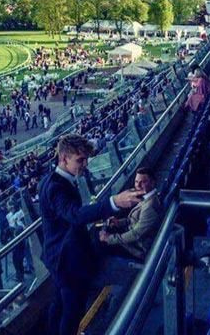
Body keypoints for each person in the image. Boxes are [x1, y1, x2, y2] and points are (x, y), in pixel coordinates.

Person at [38, 134, 142, 334]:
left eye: (85, 159)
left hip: (60, 256)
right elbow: (74, 215)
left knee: (60, 304)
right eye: (80, 160)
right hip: (65, 260)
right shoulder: (56, 187)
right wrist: (114, 202)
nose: (84, 164)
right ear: (64, 158)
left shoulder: (53, 180)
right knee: (72, 310)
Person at [100, 168, 161, 259]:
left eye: (142, 182)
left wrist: (109, 239)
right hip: (133, 234)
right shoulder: (147, 197)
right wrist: (118, 222)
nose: (138, 185)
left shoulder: (150, 206)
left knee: (100, 242)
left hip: (140, 248)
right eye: (136, 182)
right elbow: (135, 220)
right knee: (107, 227)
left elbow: (136, 234)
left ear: (152, 183)